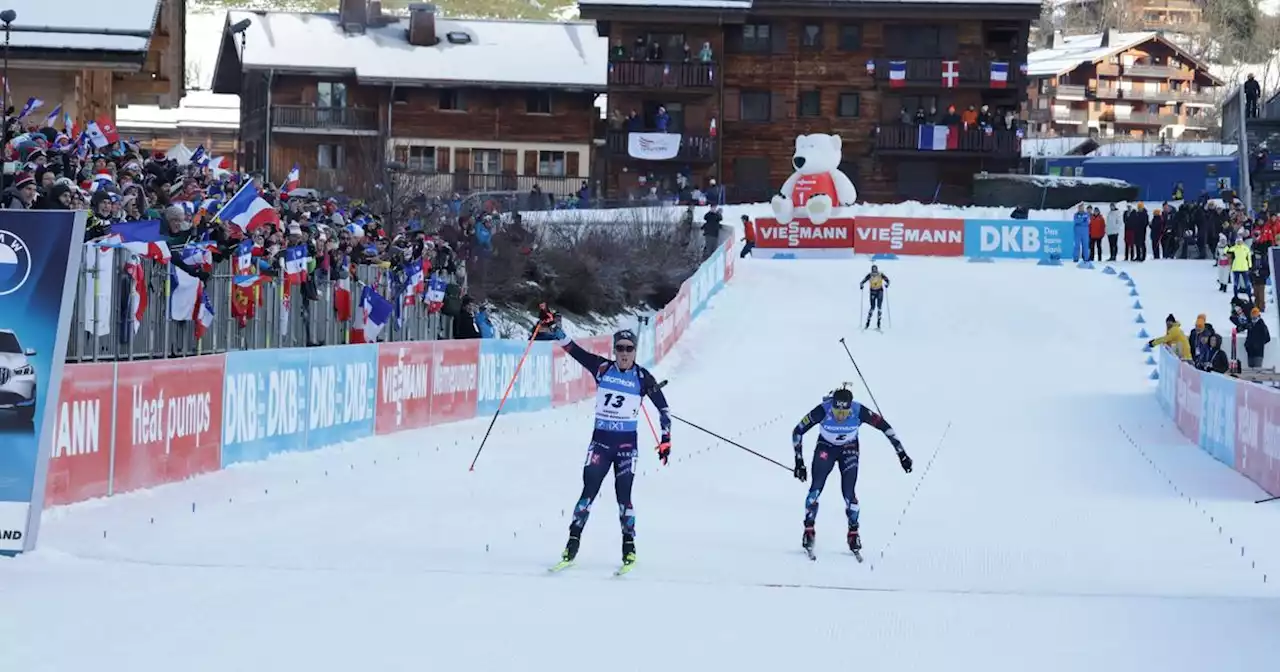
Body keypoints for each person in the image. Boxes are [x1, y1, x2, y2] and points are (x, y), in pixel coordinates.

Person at [545, 308, 671, 569]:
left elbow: (664, 410)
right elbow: (573, 350)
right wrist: (555, 328)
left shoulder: (642, 378)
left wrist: (666, 440)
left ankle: (629, 547)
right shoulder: (602, 368)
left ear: (635, 351)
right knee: (588, 492)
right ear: (615, 350)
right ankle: (572, 544)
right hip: (601, 444)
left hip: (626, 446)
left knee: (623, 495)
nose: (624, 354)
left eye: (629, 349)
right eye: (620, 349)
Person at [791, 386, 912, 555]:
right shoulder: (822, 410)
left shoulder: (858, 410)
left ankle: (853, 532)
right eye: (836, 411)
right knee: (815, 489)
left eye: (844, 412)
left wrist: (902, 455)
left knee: (849, 493)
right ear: (831, 405)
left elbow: (885, 427)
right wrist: (799, 462)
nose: (840, 416)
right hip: (826, 448)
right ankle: (809, 530)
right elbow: (798, 431)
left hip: (849, 448)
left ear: (850, 407)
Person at [859, 265, 890, 330]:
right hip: (872, 292)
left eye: (875, 270)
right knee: (872, 307)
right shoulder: (870, 275)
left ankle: (879, 324)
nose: (874, 271)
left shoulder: (880, 274)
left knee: (879, 307)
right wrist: (861, 285)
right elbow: (862, 281)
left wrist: (887, 284)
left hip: (879, 291)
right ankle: (867, 323)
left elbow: (887, 280)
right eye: (873, 270)